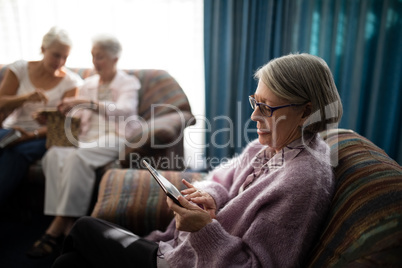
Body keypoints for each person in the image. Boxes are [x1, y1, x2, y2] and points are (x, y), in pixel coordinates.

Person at [52, 53, 343, 267]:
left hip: (188, 262)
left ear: (306, 112)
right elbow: (221, 180)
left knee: (84, 227)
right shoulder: (267, 146)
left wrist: (203, 229)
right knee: (68, 263)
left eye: (266, 108)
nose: (254, 116)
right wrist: (209, 196)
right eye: (256, 102)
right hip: (181, 252)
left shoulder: (303, 180)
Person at [26, 34, 141, 258]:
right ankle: (70, 228)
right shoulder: (88, 84)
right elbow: (78, 117)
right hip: (87, 136)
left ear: (115, 59)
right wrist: (56, 116)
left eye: (100, 57)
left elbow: (125, 110)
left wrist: (85, 102)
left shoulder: (128, 82)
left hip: (116, 135)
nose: (95, 62)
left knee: (78, 156)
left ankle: (57, 228)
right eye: (93, 56)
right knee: (54, 154)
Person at [0, 26, 82, 207]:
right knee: (6, 142)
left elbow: (65, 126)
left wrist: (32, 135)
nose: (60, 61)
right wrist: (26, 97)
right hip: (11, 128)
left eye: (65, 57)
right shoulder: (19, 69)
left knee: (18, 152)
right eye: (56, 55)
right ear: (43, 49)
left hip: (42, 135)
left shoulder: (71, 82)